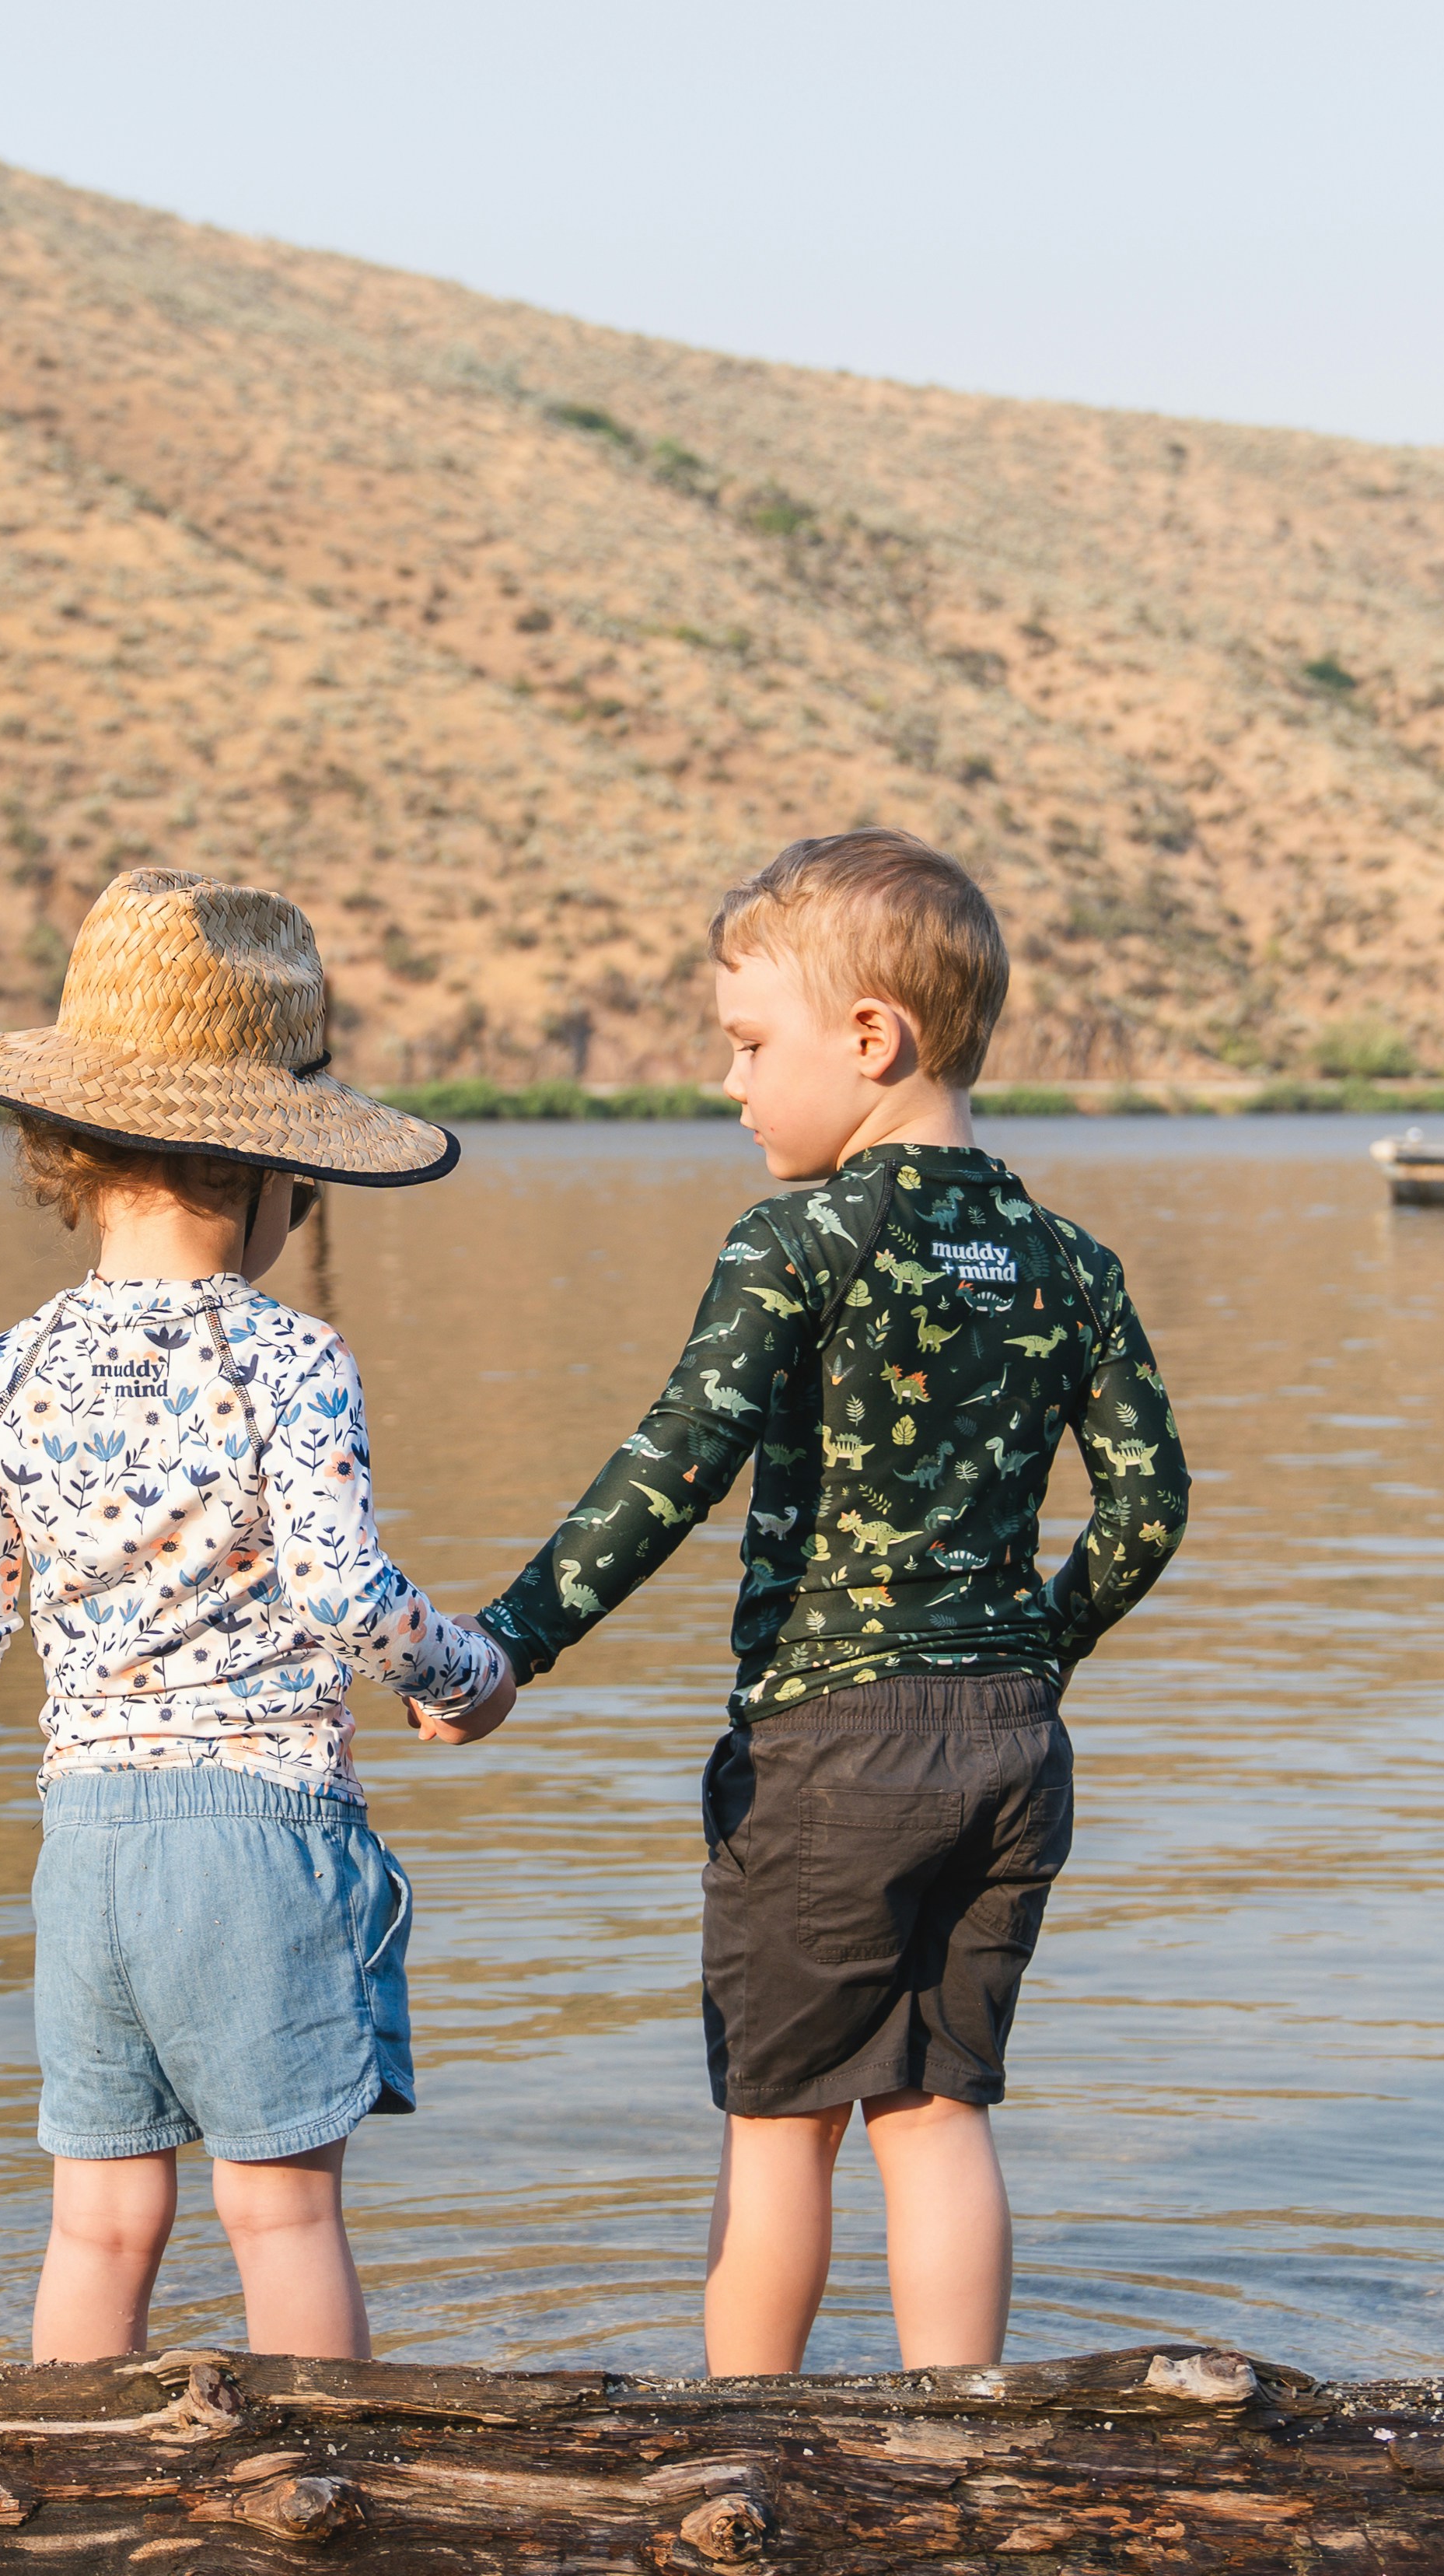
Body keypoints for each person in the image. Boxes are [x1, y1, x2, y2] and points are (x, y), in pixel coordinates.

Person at [471, 828, 1187, 2376]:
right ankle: (962, 2451)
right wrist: (1029, 1656)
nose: (729, 1087)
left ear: (871, 1040)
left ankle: (741, 2458)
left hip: (828, 1753)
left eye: (746, 1046)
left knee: (778, 2130)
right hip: (1010, 1754)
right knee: (936, 2120)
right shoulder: (1071, 1261)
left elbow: (676, 1462)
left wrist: (515, 1639)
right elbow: (1147, 1508)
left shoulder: (799, 1239)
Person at [0, 866, 516, 2364]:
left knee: (94, 2226)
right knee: (279, 2221)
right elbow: (347, 1595)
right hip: (259, 1838)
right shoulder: (291, 1358)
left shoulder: (3, 1370)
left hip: (86, 1848)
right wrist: (469, 1670)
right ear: (281, 1170)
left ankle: (61, 2511)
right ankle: (331, 2505)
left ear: (68, 1153)